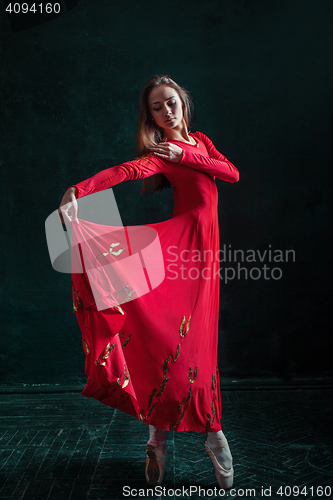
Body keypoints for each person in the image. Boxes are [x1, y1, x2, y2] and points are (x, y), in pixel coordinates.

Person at [58, 74, 239, 489]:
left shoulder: (201, 143)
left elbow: (231, 174)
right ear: (151, 116)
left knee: (198, 343)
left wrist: (187, 153)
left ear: (183, 103)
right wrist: (78, 189)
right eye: (157, 107)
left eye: (171, 102)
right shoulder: (162, 154)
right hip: (179, 248)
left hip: (204, 256)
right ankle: (177, 437)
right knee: (169, 338)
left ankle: (192, 435)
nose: (166, 110)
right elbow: (125, 171)